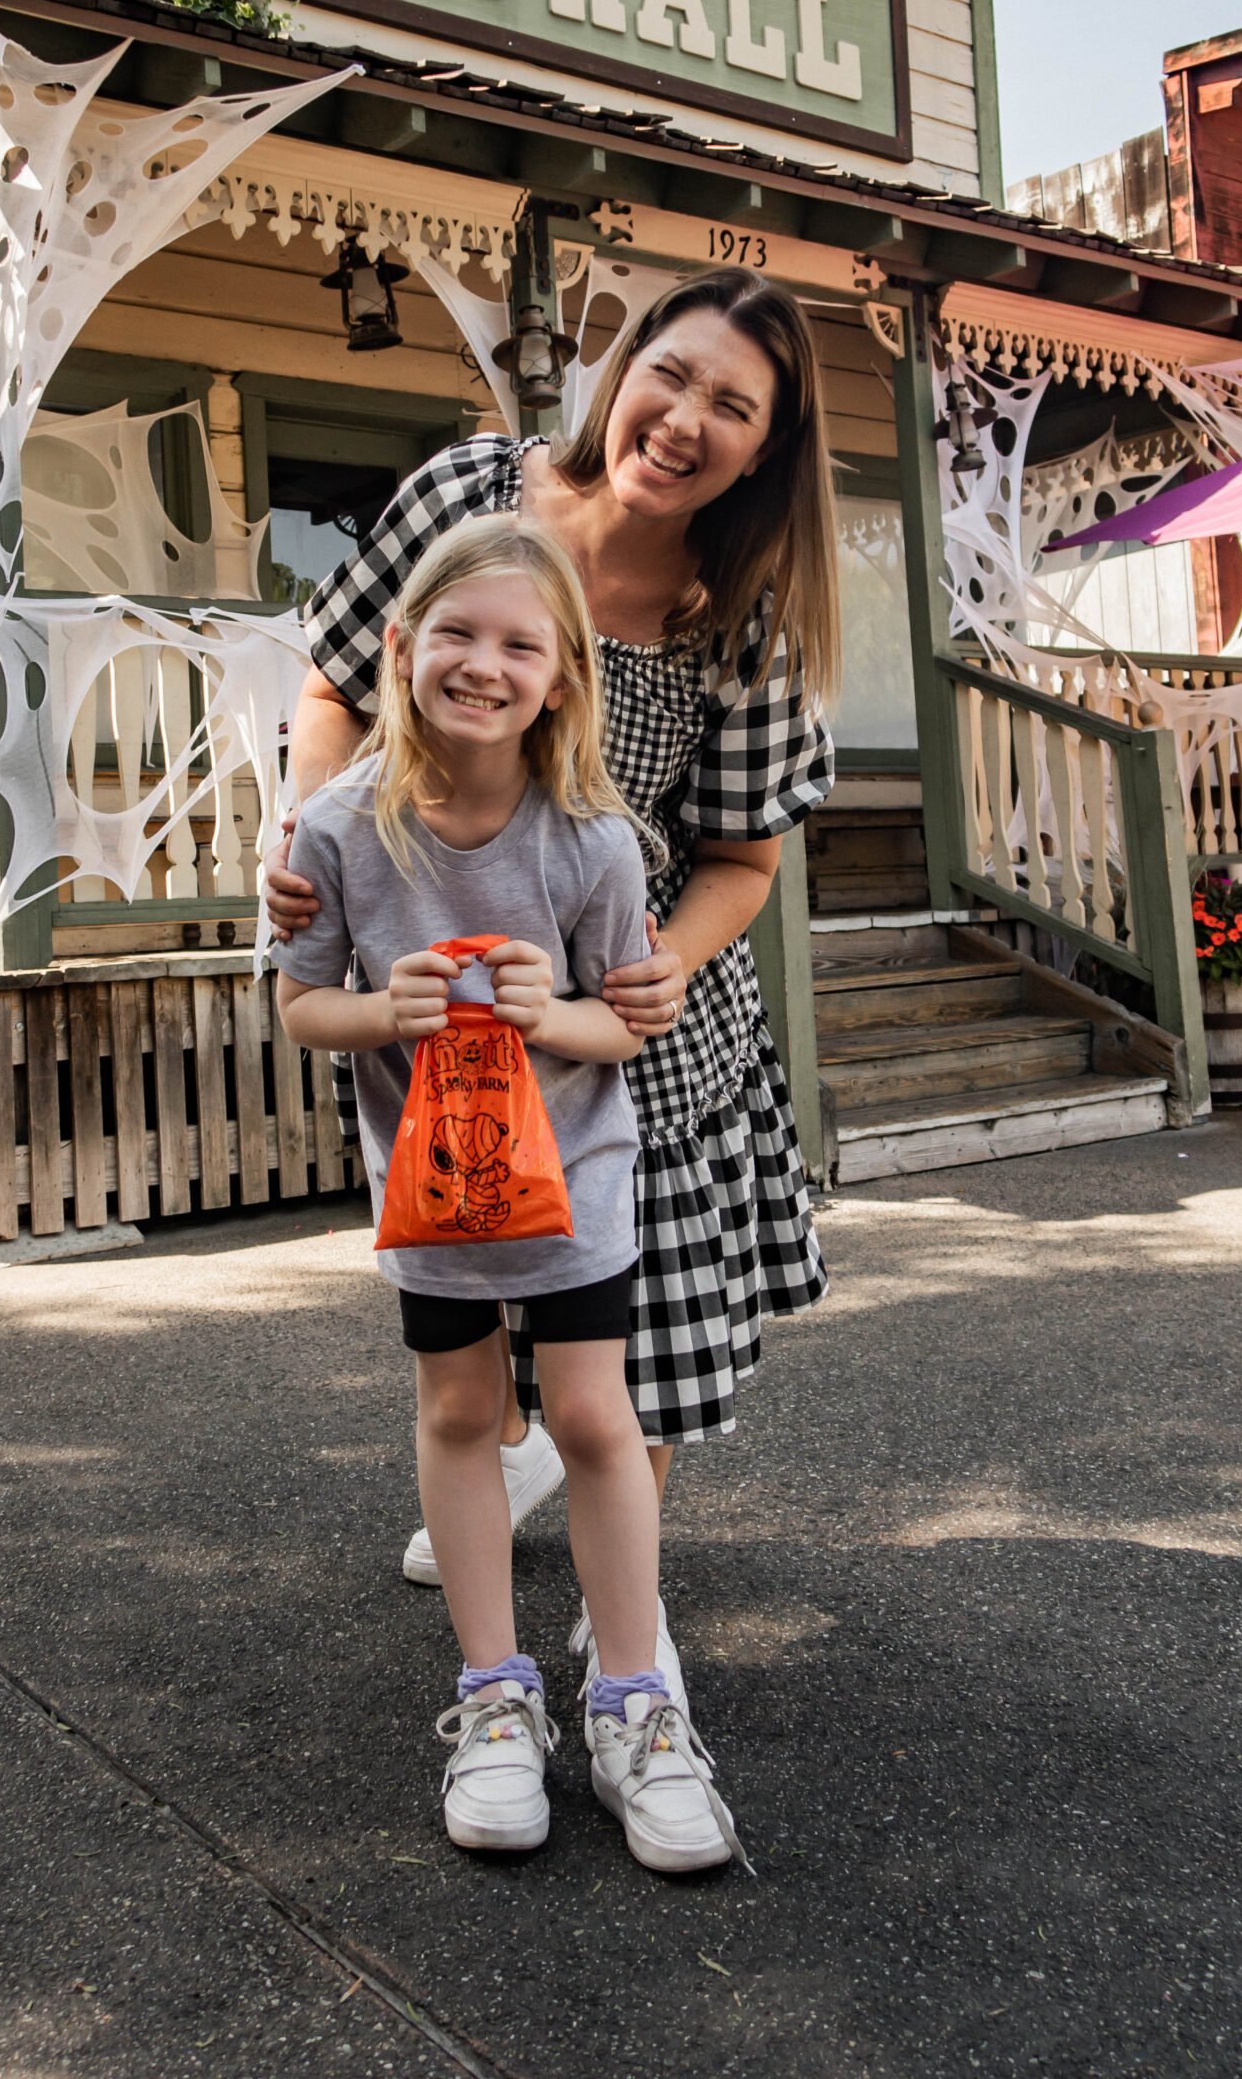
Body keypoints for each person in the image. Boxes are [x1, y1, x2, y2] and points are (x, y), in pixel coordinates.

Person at [267, 265, 837, 1694]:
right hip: (445, 976)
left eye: (733, 407)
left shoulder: (745, 610)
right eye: (674, 373)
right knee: (470, 1290)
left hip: (627, 992)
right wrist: (311, 839)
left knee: (629, 1323)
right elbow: (341, 677)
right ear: (623, 365)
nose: (685, 417)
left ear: (764, 449)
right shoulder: (474, 492)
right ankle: (507, 1502)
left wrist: (656, 975)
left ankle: (612, 1608)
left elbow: (742, 863)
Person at [273, 517, 745, 1871]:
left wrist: (557, 1013)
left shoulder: (592, 843)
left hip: (572, 1179)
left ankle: (633, 1701)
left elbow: (626, 1025)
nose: (484, 665)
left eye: (521, 645)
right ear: (401, 647)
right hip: (432, 1193)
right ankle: (495, 1694)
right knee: (462, 1409)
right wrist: (381, 1010)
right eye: (457, 635)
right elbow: (302, 1004)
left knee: (595, 1415)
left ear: (561, 681)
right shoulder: (338, 827)